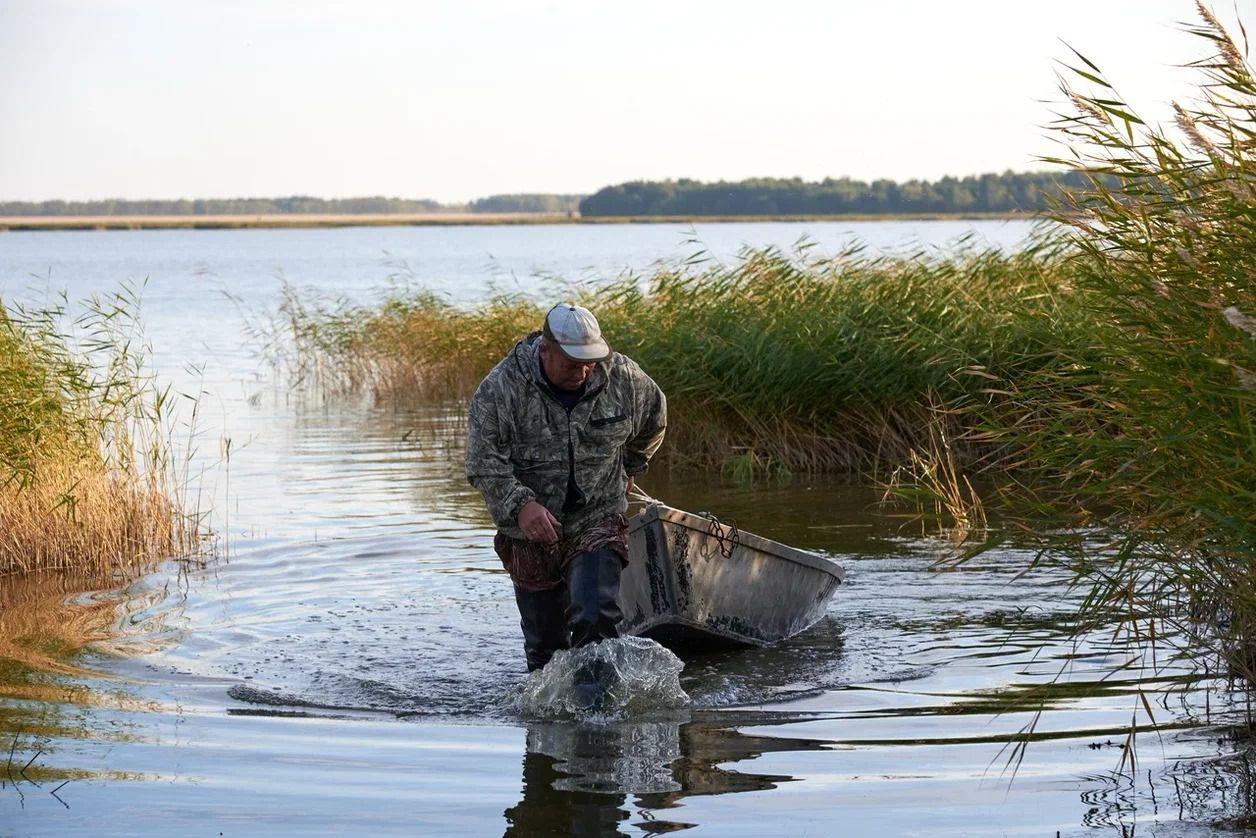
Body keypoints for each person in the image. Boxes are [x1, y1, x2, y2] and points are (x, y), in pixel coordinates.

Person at [466, 303, 667, 677]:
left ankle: (600, 718)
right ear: (545, 350)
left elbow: (655, 416)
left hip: (597, 517)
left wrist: (632, 465)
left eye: (589, 361)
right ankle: (550, 724)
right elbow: (482, 462)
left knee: (596, 617)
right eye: (572, 363)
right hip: (528, 534)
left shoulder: (621, 378)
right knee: (545, 651)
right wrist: (520, 505)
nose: (583, 370)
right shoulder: (501, 389)